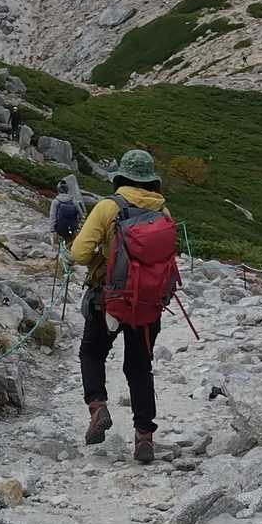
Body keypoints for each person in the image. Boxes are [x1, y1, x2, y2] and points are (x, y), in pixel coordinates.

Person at [69, 150, 172, 463]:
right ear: (151, 180)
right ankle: (144, 437)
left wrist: (103, 258)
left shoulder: (108, 207)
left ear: (121, 177)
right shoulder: (163, 211)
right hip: (148, 304)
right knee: (139, 368)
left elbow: (79, 254)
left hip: (109, 299)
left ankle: (98, 406)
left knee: (92, 353)